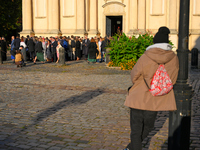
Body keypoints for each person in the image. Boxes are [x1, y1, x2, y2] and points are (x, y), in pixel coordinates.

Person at [123, 26, 179, 150]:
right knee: (148, 127)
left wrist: (139, 84)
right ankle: (131, 147)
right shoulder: (174, 58)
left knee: (136, 129)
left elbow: (134, 75)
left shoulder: (146, 56)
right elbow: (173, 80)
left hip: (138, 97)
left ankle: (132, 147)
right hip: (155, 100)